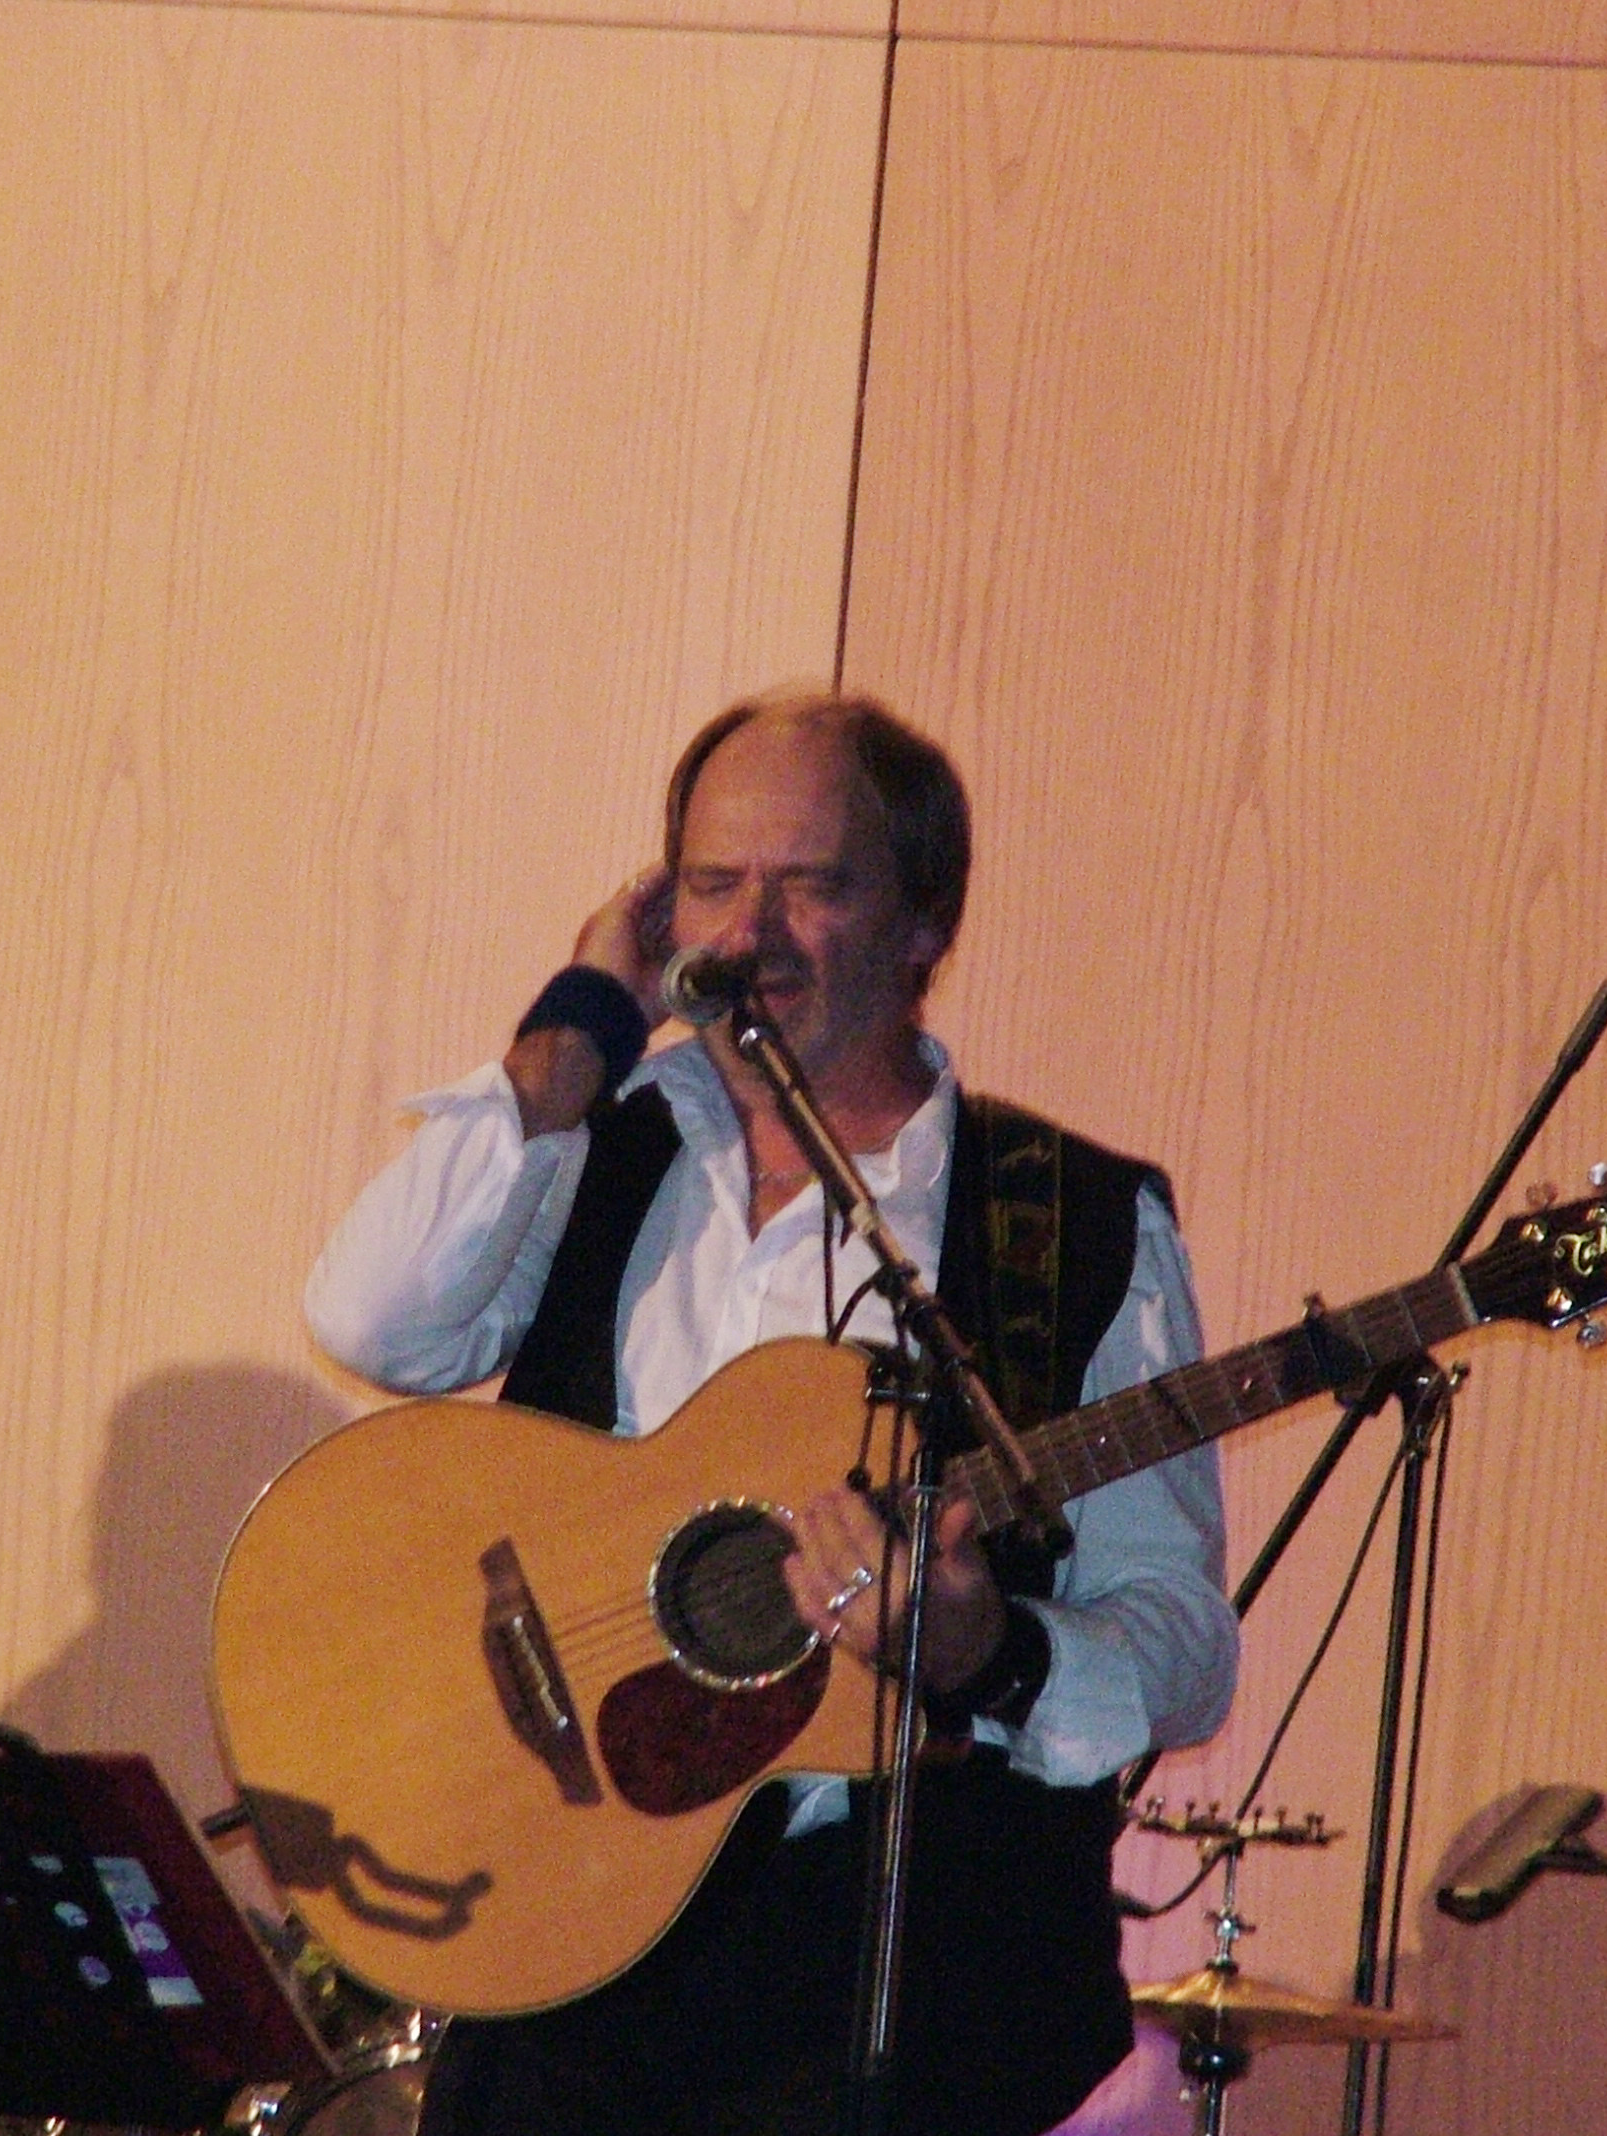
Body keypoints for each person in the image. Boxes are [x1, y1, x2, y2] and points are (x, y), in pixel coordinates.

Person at [303, 686, 1238, 2136]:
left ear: (925, 923)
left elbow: (1181, 1644)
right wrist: (576, 1033)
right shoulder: (596, 1144)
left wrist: (990, 1655)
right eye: (712, 883)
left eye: (814, 886)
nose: (751, 935)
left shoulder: (1066, 1220)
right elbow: (375, 1320)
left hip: (909, 1996)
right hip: (566, 1968)